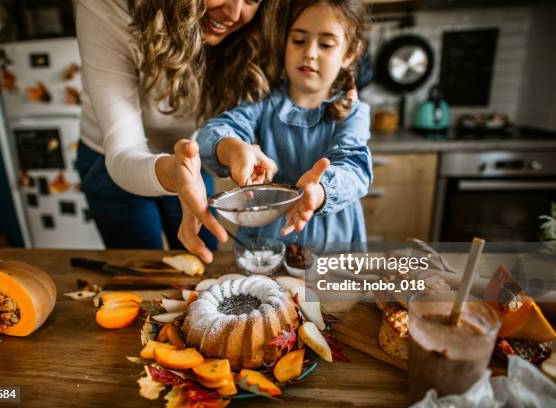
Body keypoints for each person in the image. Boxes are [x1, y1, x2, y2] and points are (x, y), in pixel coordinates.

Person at [73, 0, 291, 263]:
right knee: (142, 272)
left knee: (201, 261)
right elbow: (123, 151)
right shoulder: (105, 6)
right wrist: (173, 173)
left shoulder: (252, 37)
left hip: (190, 158)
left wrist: (235, 144)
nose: (233, 14)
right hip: (110, 162)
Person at [197, 0, 373, 246]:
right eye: (299, 41)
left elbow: (355, 168)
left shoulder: (354, 113)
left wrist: (320, 191)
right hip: (268, 237)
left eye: (326, 44)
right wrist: (232, 148)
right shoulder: (261, 101)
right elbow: (210, 135)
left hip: (333, 240)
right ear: (284, 43)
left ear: (349, 53)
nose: (310, 53)